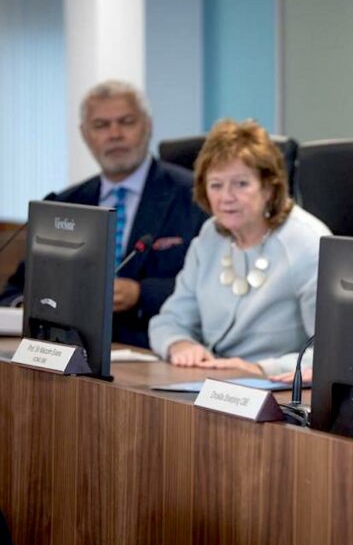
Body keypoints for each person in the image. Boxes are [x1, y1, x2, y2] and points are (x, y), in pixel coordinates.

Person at [0, 80, 206, 348]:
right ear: (85, 134)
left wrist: (141, 294)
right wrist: (34, 306)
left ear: (148, 126)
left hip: (156, 349)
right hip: (73, 351)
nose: (115, 134)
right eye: (101, 125)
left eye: (127, 121)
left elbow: (212, 290)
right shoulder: (66, 202)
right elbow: (15, 293)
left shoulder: (195, 195)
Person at [149, 119, 330, 377]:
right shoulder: (210, 236)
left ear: (269, 187)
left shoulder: (307, 243)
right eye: (216, 185)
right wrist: (180, 344)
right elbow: (169, 320)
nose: (226, 197)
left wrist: (259, 368)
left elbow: (332, 353)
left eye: (241, 184)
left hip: (278, 393)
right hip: (211, 383)